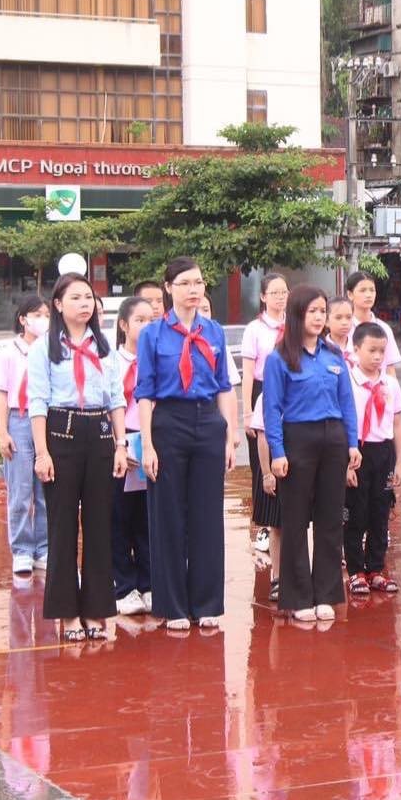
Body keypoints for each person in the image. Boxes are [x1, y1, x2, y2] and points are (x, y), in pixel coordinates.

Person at [137, 257, 238, 631]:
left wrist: (229, 435)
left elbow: (224, 385)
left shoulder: (214, 331)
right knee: (168, 515)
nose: (193, 290)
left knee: (207, 515)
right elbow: (144, 393)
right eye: (185, 283)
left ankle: (207, 602)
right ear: (168, 288)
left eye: (198, 282)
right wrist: (147, 445)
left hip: (207, 421)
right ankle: (174, 606)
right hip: (168, 422)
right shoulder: (152, 334)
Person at [27, 273, 129, 642]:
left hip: (99, 434)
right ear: (57, 304)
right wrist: (42, 453)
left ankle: (96, 610)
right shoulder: (44, 348)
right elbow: (37, 402)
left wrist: (121, 445)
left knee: (100, 525)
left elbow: (115, 398)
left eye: (88, 297)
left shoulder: (104, 347)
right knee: (63, 526)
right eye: (76, 298)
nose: (85, 304)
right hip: (61, 432)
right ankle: (67, 613)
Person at [262, 285, 361, 622]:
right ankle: (298, 596)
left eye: (322, 311)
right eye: (312, 311)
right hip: (298, 438)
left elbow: (347, 402)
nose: (319, 318)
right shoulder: (279, 358)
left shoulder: (333, 355)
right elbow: (272, 409)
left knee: (330, 518)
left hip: (333, 438)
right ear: (297, 314)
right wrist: (277, 451)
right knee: (295, 518)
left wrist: (352, 443)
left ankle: (326, 593)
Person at [344, 323, 401, 594]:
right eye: (371, 350)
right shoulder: (348, 382)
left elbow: (398, 423)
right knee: (355, 512)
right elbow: (343, 423)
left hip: (383, 451)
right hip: (357, 452)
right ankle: (356, 570)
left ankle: (376, 568)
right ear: (356, 349)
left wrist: (398, 462)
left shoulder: (390, 383)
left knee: (380, 512)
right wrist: (345, 463)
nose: (378, 356)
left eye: (382, 351)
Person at [0, 294, 50, 576]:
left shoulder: (51, 350)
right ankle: (22, 550)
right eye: (37, 315)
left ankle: (44, 547)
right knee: (20, 491)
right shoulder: (8, 353)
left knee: (45, 489)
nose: (43, 320)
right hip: (19, 418)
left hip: (46, 418)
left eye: (47, 315)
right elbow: (2, 396)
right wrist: (2, 432)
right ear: (23, 319)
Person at [111, 296, 155, 616]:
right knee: (119, 517)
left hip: (150, 442)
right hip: (121, 442)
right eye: (140, 320)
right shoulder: (110, 362)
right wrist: (119, 445)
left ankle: (149, 582)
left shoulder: (158, 360)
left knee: (147, 516)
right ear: (124, 325)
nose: (147, 326)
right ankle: (123, 586)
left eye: (151, 320)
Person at [241, 274, 289, 562]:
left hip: (288, 389)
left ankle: (284, 520)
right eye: (274, 292)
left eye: (284, 292)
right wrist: (247, 411)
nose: (280, 297)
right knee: (261, 463)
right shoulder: (254, 329)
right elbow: (248, 372)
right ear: (263, 297)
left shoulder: (293, 325)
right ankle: (264, 524)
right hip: (262, 390)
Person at [344, 271, 401, 369]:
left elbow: (390, 368)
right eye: (362, 290)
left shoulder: (384, 328)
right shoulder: (344, 328)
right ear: (350, 294)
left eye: (372, 290)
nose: (368, 295)